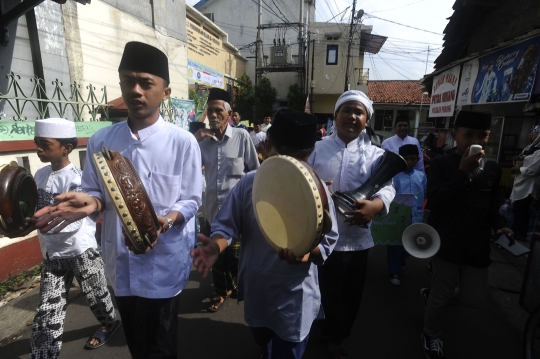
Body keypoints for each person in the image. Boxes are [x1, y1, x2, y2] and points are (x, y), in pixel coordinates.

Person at [33, 41, 202, 359]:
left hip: (163, 262)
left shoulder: (183, 143)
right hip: (121, 265)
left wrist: (167, 220)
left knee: (161, 348)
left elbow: (191, 199)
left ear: (165, 92)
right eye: (128, 81)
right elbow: (95, 191)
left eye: (146, 83)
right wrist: (91, 203)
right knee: (137, 345)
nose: (135, 90)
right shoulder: (102, 141)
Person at [191, 109, 338, 359]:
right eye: (284, 157)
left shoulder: (317, 188)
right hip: (258, 288)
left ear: (309, 154)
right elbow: (227, 225)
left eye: (298, 158)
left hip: (295, 295)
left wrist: (307, 254)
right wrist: (216, 246)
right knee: (262, 337)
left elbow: (330, 238)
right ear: (267, 146)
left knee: (289, 348)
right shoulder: (250, 183)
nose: (291, 166)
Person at [14, 118, 120, 358]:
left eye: (44, 143)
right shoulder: (39, 176)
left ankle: (110, 323)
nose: (38, 148)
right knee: (47, 310)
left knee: (97, 296)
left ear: (66, 148)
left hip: (80, 250)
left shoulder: (79, 178)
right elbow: (34, 210)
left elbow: (81, 214)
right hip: (53, 253)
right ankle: (44, 354)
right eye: (36, 143)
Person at [308, 90, 396, 359]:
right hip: (319, 239)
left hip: (356, 240)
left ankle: (337, 337)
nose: (352, 116)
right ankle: (313, 329)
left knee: (348, 295)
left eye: (359, 112)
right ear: (335, 115)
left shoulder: (375, 155)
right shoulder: (316, 148)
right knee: (318, 289)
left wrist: (376, 206)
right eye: (346, 110)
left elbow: (388, 187)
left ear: (366, 120)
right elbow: (303, 180)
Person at [420, 110, 513, 359]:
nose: (475, 139)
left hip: (477, 245)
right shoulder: (441, 163)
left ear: (489, 137)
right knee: (442, 294)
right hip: (447, 242)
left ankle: (433, 302)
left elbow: (493, 205)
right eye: (468, 134)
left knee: (474, 298)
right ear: (454, 135)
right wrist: (461, 172)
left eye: (482, 135)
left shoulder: (492, 169)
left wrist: (501, 225)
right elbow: (435, 201)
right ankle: (431, 333)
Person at [194, 88, 259, 312]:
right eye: (210, 110)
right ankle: (220, 292)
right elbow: (186, 166)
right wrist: (195, 138)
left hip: (238, 212)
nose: (213, 115)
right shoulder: (202, 144)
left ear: (228, 114)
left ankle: (236, 286)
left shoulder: (242, 137)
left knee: (236, 255)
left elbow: (254, 171)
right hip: (212, 210)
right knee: (217, 258)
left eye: (218, 110)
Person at [387, 144, 426, 285]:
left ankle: (402, 258)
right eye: (406, 159)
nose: (409, 162)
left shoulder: (421, 176)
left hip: (415, 216)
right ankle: (394, 271)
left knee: (410, 243)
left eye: (413, 159)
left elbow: (425, 195)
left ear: (417, 159)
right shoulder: (395, 177)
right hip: (397, 217)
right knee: (394, 244)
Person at [509, 125, 540, 240]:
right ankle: (515, 232)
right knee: (517, 209)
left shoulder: (539, 152)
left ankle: (520, 234)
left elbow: (534, 170)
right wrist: (518, 159)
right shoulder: (529, 148)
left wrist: (518, 169)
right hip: (520, 183)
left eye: (532, 133)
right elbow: (522, 159)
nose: (529, 135)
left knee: (522, 210)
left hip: (528, 186)